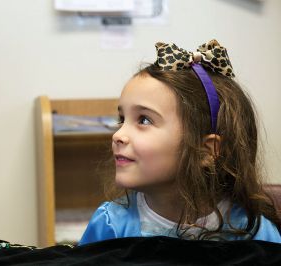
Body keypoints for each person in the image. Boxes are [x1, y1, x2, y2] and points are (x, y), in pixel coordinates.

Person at [79, 40, 281, 245]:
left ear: (206, 151)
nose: (118, 135)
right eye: (122, 119)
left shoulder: (253, 232)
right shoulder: (110, 226)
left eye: (144, 120)